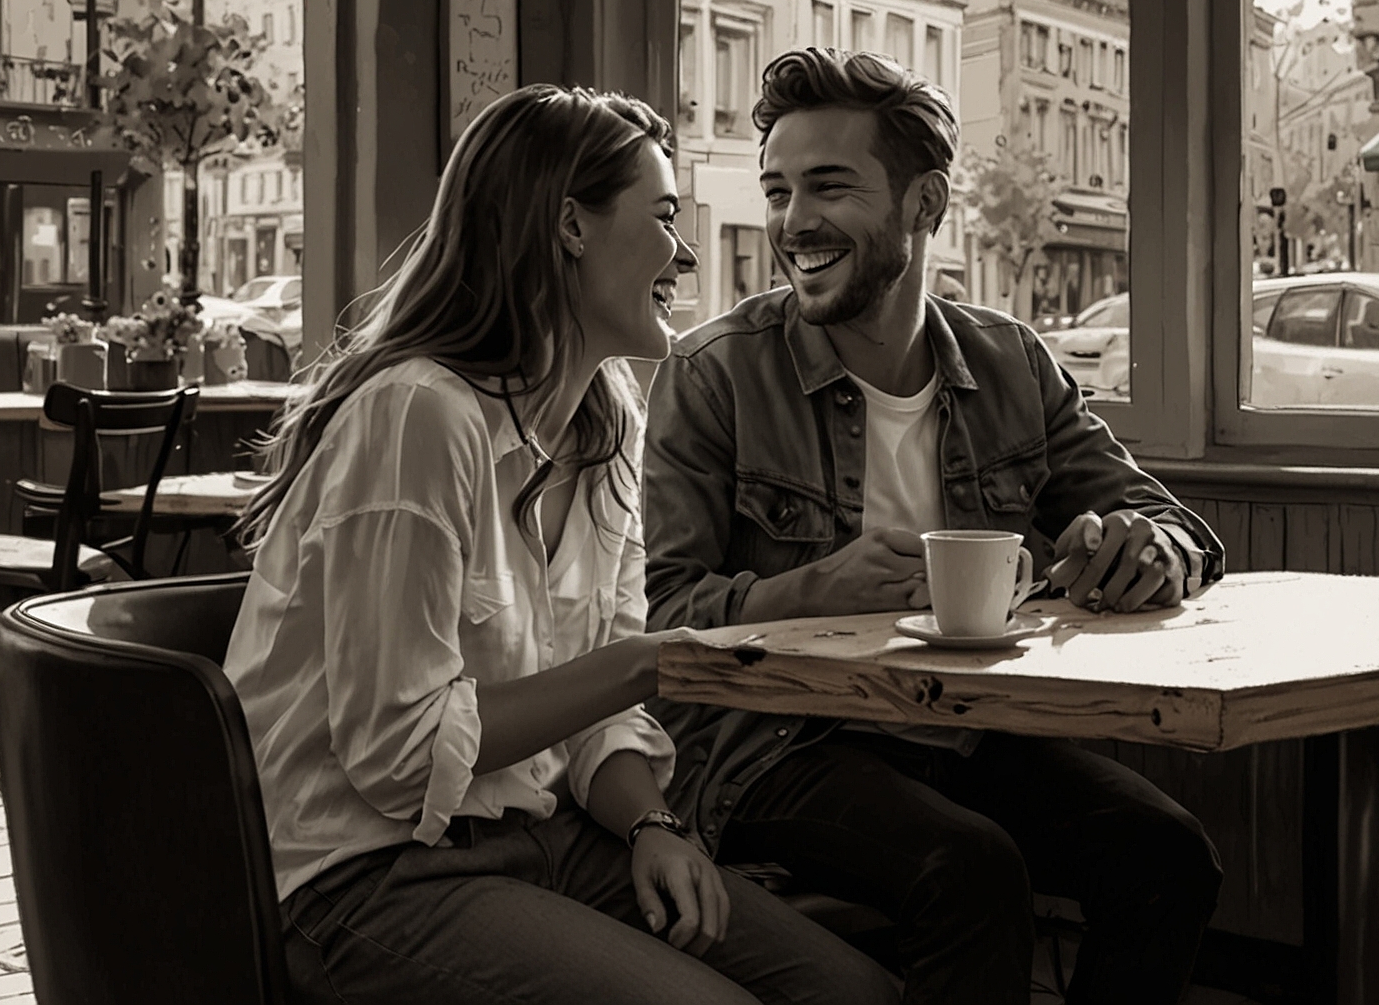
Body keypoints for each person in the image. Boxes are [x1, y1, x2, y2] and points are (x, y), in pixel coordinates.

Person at [224, 84, 900, 1005]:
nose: (688, 252)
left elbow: (595, 720)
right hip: (364, 874)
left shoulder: (605, 424)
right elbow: (398, 760)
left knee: (852, 990)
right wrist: (645, 663)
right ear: (571, 227)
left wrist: (651, 823)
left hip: (541, 837)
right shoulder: (418, 414)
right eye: (664, 217)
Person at [644, 48, 1226, 1005]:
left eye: (829, 187)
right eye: (779, 191)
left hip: (963, 731)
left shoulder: (1011, 363)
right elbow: (660, 612)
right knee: (971, 871)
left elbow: (1166, 519)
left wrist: (1149, 548)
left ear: (925, 205)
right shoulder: (717, 373)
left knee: (1166, 855)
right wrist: (811, 592)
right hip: (771, 747)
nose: (794, 223)